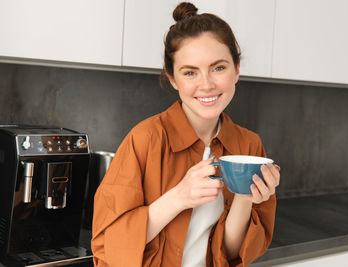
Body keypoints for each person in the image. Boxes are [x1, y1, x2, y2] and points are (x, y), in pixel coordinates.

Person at [91, 2, 280, 266]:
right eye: (190, 72)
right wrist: (180, 196)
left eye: (218, 68)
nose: (206, 84)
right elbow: (109, 248)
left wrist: (245, 197)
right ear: (172, 78)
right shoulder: (144, 139)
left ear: (236, 69)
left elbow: (232, 253)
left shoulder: (249, 145)